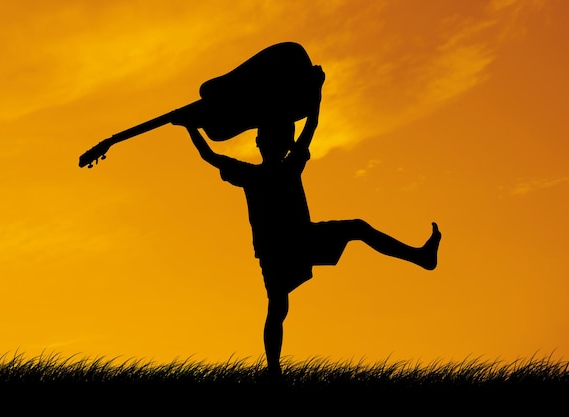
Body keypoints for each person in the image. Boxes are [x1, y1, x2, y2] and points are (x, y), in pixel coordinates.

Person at [174, 65, 441, 378]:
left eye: (277, 139)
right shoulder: (266, 172)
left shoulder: (267, 171)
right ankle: (273, 370)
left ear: (276, 144)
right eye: (269, 138)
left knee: (348, 237)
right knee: (279, 307)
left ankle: (419, 257)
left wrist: (190, 128)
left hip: (295, 241)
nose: (272, 143)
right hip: (279, 249)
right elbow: (306, 125)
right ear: (262, 144)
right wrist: (316, 89)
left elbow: (214, 156)